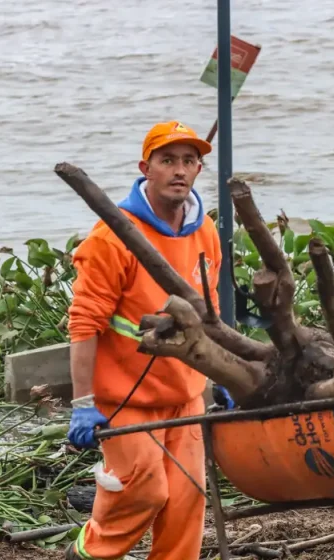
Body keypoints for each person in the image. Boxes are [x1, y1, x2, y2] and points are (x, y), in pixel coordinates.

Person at [64, 121, 227, 559]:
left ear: (198, 170)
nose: (179, 170)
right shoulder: (112, 237)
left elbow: (210, 315)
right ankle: (86, 554)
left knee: (187, 500)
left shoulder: (205, 231)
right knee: (144, 491)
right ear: (146, 168)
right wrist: (83, 405)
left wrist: (225, 372)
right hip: (125, 399)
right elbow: (84, 325)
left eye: (189, 161)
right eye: (167, 160)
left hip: (185, 395)